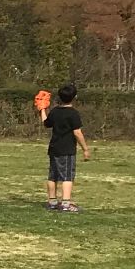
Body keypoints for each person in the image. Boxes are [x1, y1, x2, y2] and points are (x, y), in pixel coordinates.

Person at [42, 83, 90, 212]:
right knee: (67, 176)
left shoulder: (54, 111)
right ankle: (66, 203)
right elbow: (77, 132)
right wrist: (85, 148)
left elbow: (46, 124)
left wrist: (42, 109)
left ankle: (52, 202)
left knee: (53, 175)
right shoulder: (73, 114)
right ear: (74, 97)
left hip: (54, 148)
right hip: (67, 150)